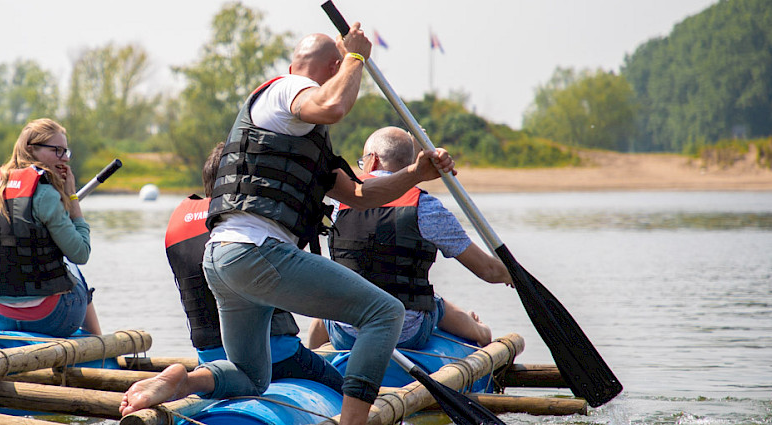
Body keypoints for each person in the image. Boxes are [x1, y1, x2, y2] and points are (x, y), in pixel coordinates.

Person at [120, 25, 456, 425]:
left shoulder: (299, 133)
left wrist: (415, 173)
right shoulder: (287, 89)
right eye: (341, 69)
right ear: (332, 67)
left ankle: (184, 381)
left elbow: (360, 195)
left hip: (224, 259)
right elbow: (334, 105)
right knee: (384, 313)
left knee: (251, 376)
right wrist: (357, 57)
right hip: (257, 253)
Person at [307, 127, 514, 353]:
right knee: (434, 302)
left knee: (326, 304)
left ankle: (311, 362)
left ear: (372, 160)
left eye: (361, 161)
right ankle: (481, 332)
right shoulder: (426, 207)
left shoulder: (338, 202)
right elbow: (488, 270)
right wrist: (514, 276)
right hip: (406, 332)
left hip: (346, 333)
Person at [164, 142, 343, 393]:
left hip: (210, 358)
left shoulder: (178, 223)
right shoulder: (256, 220)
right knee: (344, 388)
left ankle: (193, 382)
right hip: (277, 356)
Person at [0, 118, 101, 337]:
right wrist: (72, 198)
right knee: (72, 267)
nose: (65, 158)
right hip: (51, 319)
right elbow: (81, 253)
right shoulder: (46, 194)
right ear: (31, 149)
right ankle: (98, 342)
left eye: (66, 151)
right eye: (57, 150)